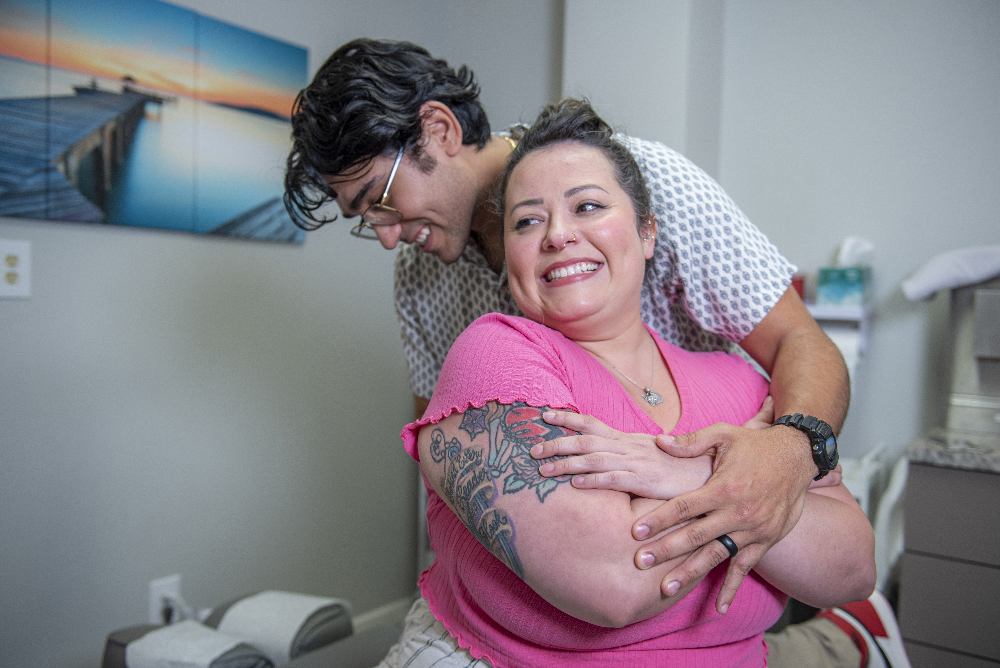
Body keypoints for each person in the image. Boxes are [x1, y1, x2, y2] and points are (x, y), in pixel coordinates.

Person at [284, 40, 910, 668]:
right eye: (365, 218)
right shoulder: (425, 283)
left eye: (380, 196)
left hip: (707, 505)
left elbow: (800, 342)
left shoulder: (650, 183)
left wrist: (783, 453)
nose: (387, 234)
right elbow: (450, 467)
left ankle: (843, 638)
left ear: (440, 129)